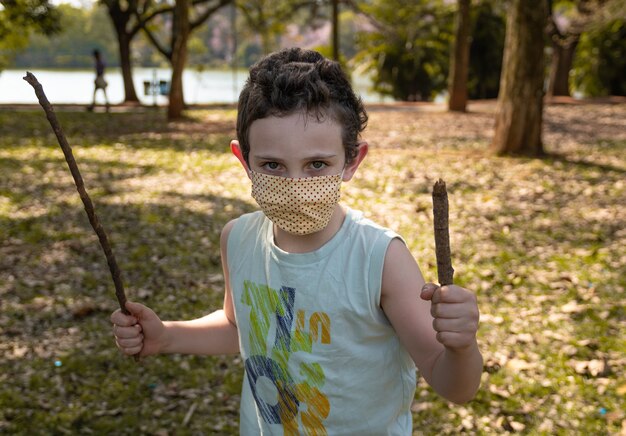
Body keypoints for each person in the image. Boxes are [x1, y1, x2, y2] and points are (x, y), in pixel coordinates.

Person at [110, 47, 483, 434]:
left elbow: (455, 384)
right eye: (272, 166)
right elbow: (242, 328)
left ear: (352, 161)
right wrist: (168, 336)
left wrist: (461, 346)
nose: (295, 186)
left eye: (316, 165)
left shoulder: (381, 259)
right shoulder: (237, 239)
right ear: (244, 161)